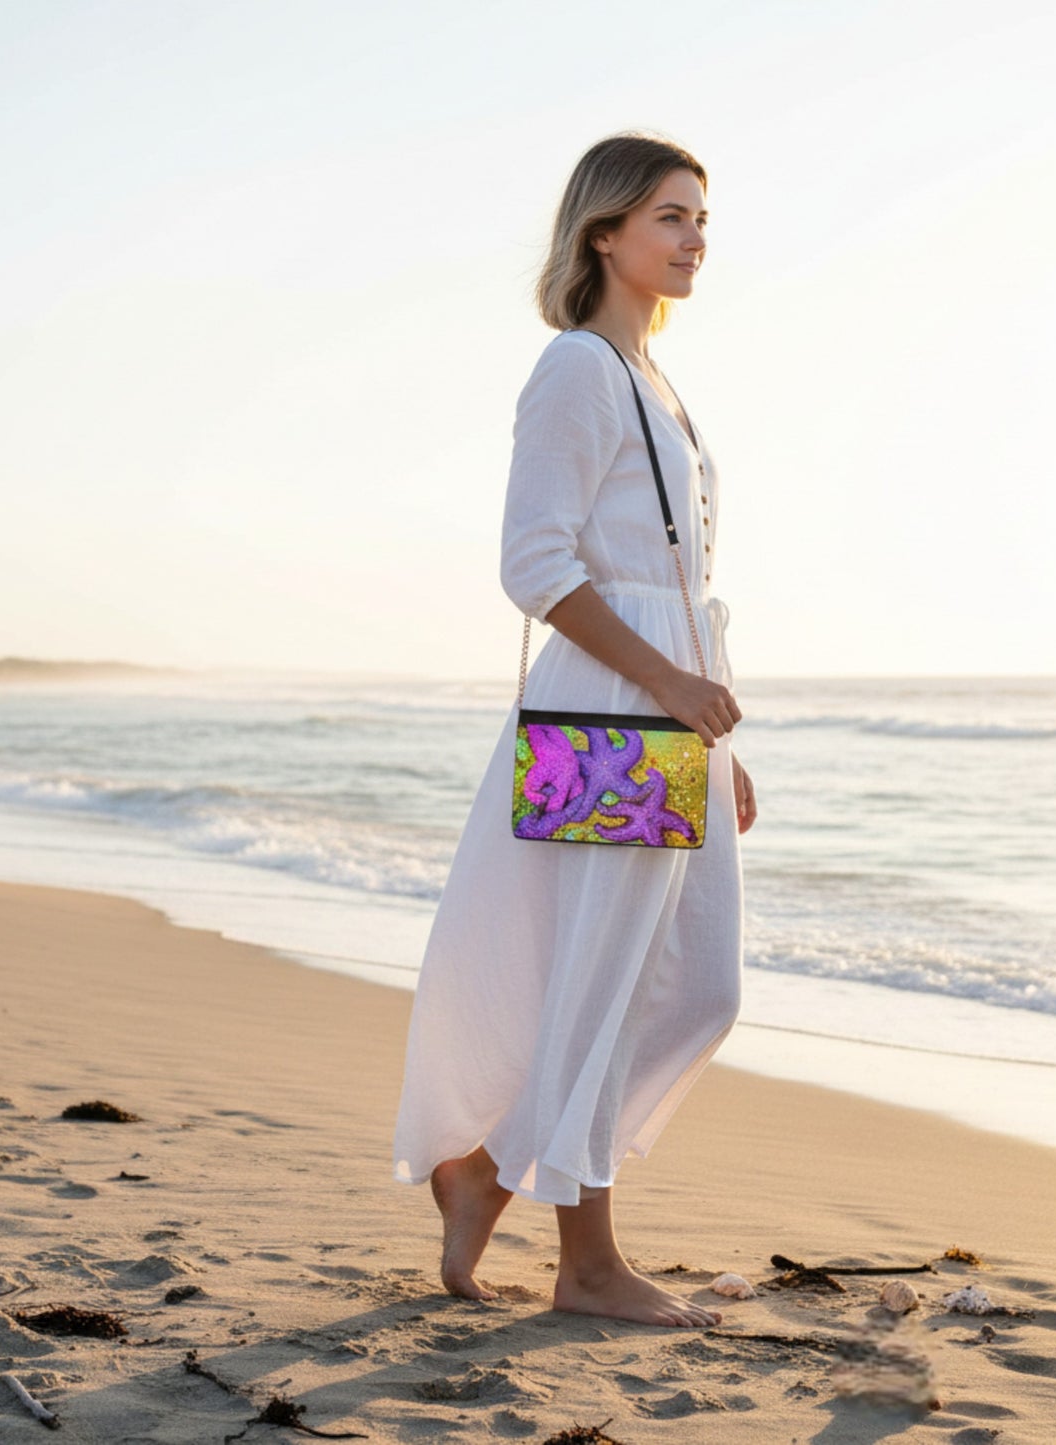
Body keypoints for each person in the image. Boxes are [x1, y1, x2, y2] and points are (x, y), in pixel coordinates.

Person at [392, 131, 756, 1329]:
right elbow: (535, 564)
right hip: (608, 705)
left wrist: (713, 733)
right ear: (604, 232)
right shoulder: (578, 369)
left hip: (663, 707)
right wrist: (667, 686)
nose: (693, 236)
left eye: (700, 216)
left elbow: (668, 572)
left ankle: (489, 1168)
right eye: (669, 215)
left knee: (696, 983)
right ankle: (587, 1258)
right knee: (602, 977)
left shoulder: (656, 382)